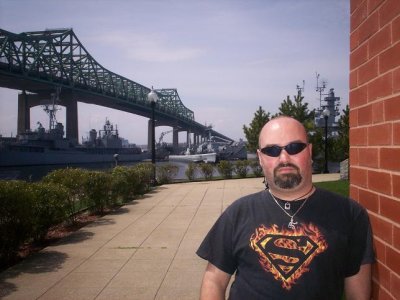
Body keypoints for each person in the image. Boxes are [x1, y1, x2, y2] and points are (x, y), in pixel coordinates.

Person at [196, 116, 374, 300]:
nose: (284, 158)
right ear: (260, 158)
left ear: (310, 151)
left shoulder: (350, 214)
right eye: (272, 150)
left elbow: (358, 293)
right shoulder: (238, 213)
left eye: (294, 147)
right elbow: (214, 279)